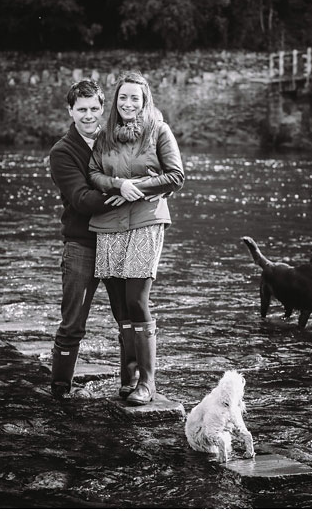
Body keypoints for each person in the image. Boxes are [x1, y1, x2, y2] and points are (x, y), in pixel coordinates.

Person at [88, 71, 184, 405]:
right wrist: (117, 185)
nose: (128, 104)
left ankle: (148, 382)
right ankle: (126, 378)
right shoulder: (104, 137)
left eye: (135, 98)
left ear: (144, 102)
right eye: (123, 97)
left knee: (136, 300)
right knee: (118, 306)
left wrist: (135, 189)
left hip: (146, 220)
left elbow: (176, 176)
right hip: (109, 223)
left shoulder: (159, 131)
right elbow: (93, 173)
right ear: (116, 101)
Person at [48, 80, 122, 398]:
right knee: (73, 322)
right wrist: (125, 192)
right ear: (70, 111)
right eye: (82, 110)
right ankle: (61, 389)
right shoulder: (63, 152)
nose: (88, 116)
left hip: (120, 241)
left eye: (94, 109)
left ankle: (132, 384)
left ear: (102, 109)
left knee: (129, 316)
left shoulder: (115, 142)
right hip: (81, 245)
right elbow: (80, 199)